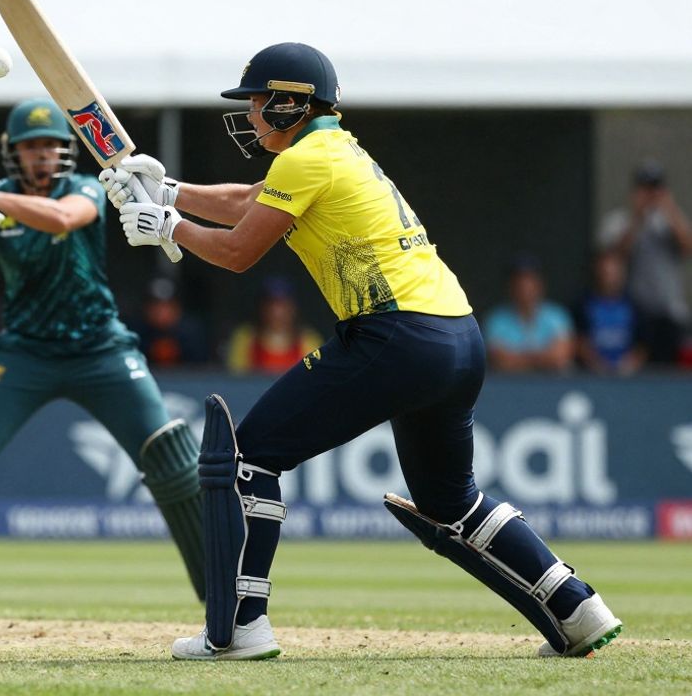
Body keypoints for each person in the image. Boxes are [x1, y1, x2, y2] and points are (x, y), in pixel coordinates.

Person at [103, 42, 621, 660]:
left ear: (293, 104)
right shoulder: (333, 150)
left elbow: (239, 251)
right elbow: (249, 202)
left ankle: (239, 629)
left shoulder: (306, 160)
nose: (252, 115)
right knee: (452, 500)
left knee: (248, 457)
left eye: (260, 103)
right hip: (457, 334)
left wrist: (166, 227)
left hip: (395, 334)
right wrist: (172, 191)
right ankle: (575, 607)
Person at [0, 98, 206, 617]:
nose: (42, 158)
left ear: (66, 152)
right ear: (14, 154)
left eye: (51, 147)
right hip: (25, 353)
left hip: (100, 347)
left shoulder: (84, 188)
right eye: (31, 149)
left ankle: (223, 591)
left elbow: (60, 220)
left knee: (171, 457)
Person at [599, 161, 692, 364]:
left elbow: (687, 247)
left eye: (655, 187)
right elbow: (614, 257)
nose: (650, 193)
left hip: (670, 310)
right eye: (645, 187)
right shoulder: (620, 220)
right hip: (634, 311)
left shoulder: (671, 220)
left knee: (672, 373)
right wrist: (638, 217)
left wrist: (669, 208)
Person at [482, 256, 575, 373]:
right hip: (509, 387)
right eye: (519, 280)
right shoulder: (496, 319)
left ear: (540, 283)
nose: (525, 286)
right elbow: (500, 360)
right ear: (510, 285)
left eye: (530, 279)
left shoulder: (557, 315)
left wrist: (519, 359)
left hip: (553, 386)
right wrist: (543, 359)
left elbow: (561, 356)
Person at [223, 276, 321, 375]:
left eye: (283, 305)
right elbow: (235, 382)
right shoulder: (245, 337)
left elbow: (317, 378)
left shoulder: (308, 340)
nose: (277, 313)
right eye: (271, 305)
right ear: (261, 308)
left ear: (293, 308)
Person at [573, 250, 645, 375]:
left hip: (628, 375)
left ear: (621, 273)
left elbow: (642, 345)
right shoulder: (583, 304)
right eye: (605, 271)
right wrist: (598, 366)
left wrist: (628, 366)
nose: (608, 276)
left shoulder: (634, 306)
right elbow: (579, 341)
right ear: (597, 271)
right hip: (592, 374)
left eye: (613, 271)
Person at [130, 277, 210, 367]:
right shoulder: (135, 332)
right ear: (146, 308)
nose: (161, 312)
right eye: (156, 306)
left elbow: (201, 368)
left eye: (167, 306)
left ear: (178, 308)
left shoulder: (192, 332)